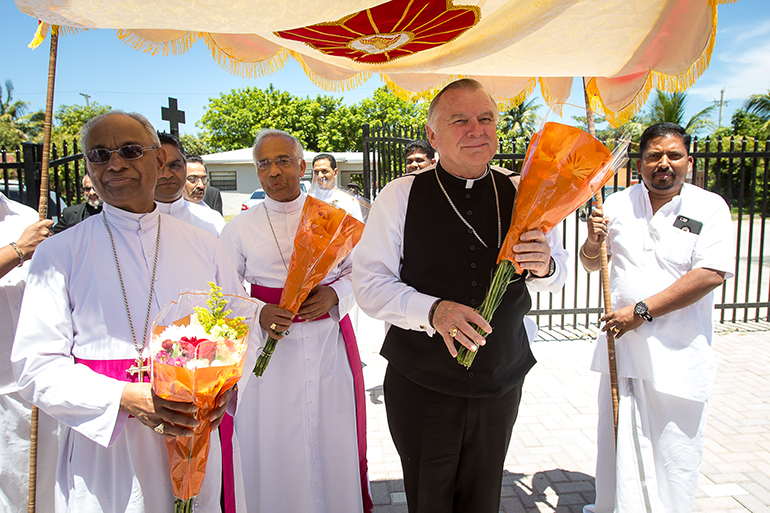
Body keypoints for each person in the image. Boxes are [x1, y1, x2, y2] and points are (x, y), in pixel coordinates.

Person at [11, 111, 245, 513]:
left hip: (193, 434)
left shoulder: (205, 246)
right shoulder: (59, 253)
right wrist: (123, 396)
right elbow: (34, 368)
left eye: (129, 150)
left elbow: (237, 330)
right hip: (106, 449)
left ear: (158, 161)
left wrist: (223, 389)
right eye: (99, 155)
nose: (114, 163)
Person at [353, 78, 568, 513]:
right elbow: (370, 285)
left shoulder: (526, 191)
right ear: (432, 136)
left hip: (500, 379)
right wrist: (432, 311)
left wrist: (545, 263)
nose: (476, 129)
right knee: (429, 500)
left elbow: (555, 275)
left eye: (485, 118)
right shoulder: (400, 195)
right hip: (422, 382)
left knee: (483, 498)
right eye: (460, 120)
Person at [579, 123, 735, 513]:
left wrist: (642, 311)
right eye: (653, 156)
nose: (663, 163)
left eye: (673, 155)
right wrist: (592, 240)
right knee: (616, 444)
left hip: (679, 354)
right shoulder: (614, 204)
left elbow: (710, 274)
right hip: (624, 350)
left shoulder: (710, 207)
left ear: (689, 161)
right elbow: (588, 262)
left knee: (674, 450)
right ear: (639, 162)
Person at [219, 129, 370, 512]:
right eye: (264, 164)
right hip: (268, 355)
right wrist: (257, 313)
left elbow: (364, 274)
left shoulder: (333, 219)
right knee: (273, 443)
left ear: (301, 166)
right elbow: (222, 291)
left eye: (282, 160)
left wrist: (335, 295)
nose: (273, 171)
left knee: (330, 437)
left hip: (326, 346)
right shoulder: (238, 228)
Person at [1, 193, 58, 512]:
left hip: (33, 387)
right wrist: (17, 251)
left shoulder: (25, 218)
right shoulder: (24, 237)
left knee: (41, 494)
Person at [155, 133, 225, 237]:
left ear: (184, 167)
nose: (167, 174)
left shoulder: (212, 220)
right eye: (158, 166)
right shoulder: (127, 222)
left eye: (174, 165)